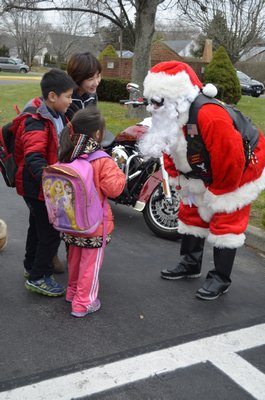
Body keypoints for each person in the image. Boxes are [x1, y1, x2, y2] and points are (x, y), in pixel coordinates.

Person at [139, 60, 265, 300]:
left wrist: (220, 193)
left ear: (175, 96)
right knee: (191, 210)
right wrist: (178, 180)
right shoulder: (169, 114)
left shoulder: (209, 116)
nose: (151, 108)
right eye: (150, 100)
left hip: (241, 168)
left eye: (156, 102)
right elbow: (168, 148)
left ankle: (220, 278)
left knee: (225, 218)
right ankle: (190, 263)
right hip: (203, 165)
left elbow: (230, 158)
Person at [58, 107, 126, 317]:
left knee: (75, 260)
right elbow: (114, 189)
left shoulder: (68, 153)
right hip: (94, 224)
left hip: (70, 221)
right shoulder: (102, 160)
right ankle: (83, 303)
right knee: (90, 265)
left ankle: (72, 293)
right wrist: (121, 172)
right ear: (98, 134)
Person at [14, 68, 76, 296]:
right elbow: (33, 156)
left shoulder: (58, 116)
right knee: (50, 232)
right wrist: (50, 182)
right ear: (52, 96)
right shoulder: (37, 120)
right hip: (39, 187)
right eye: (68, 96)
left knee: (37, 229)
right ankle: (40, 276)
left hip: (43, 187)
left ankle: (31, 268)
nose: (71, 101)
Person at [66, 52, 102, 120]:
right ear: (77, 78)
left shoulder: (92, 95)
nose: (96, 83)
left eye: (98, 76)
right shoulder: (65, 99)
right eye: (90, 79)